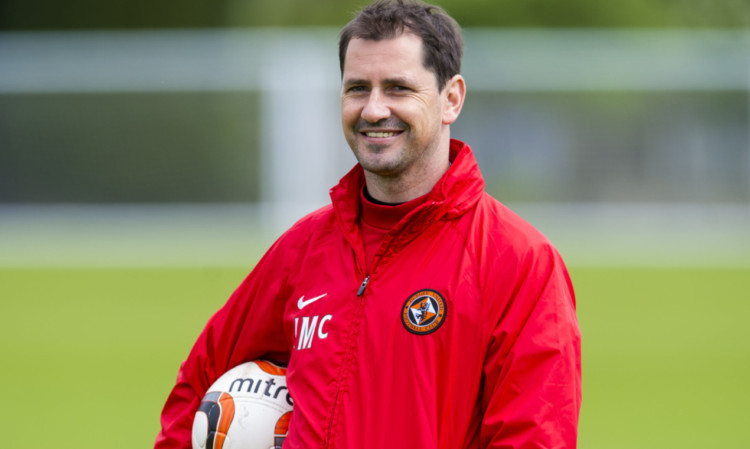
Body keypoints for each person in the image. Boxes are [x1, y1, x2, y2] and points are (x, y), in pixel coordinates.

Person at [155, 0, 582, 448]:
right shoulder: (303, 248)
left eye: (398, 88)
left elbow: (535, 437)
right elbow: (198, 383)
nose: (374, 110)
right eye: (358, 88)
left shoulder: (518, 262)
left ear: (451, 99)